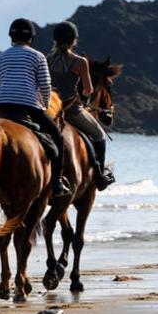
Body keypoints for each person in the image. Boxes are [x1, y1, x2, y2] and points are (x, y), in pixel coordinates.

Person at [0, 18, 72, 197]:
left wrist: (0, 101)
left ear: (10, 36)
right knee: (57, 137)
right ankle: (57, 183)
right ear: (31, 38)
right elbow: (45, 85)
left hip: (1, 105)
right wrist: (45, 104)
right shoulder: (37, 56)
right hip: (29, 105)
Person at [47, 21, 116, 191]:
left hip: (50, 109)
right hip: (72, 110)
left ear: (55, 40)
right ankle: (99, 177)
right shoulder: (79, 62)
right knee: (99, 135)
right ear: (74, 41)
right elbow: (87, 90)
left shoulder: (46, 59)